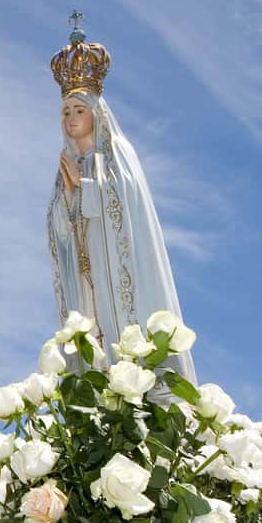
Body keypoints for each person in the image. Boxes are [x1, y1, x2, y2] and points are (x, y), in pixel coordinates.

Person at [47, 20, 197, 383]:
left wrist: (84, 187)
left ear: (95, 113)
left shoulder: (117, 154)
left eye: (78, 110)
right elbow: (59, 227)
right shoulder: (66, 165)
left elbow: (125, 201)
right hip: (85, 276)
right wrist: (69, 196)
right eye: (66, 111)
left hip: (117, 269)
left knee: (126, 342)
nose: (71, 119)